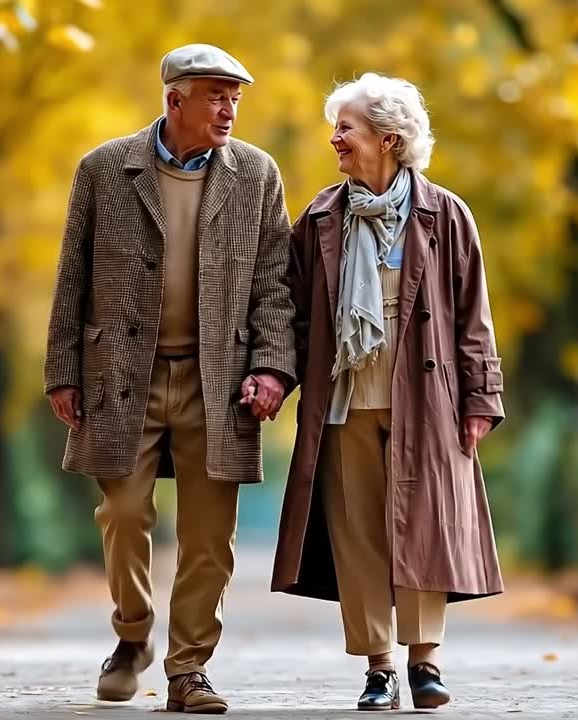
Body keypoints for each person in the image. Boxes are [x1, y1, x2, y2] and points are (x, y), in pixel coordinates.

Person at [44, 43, 295, 715]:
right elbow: (73, 274)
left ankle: (189, 671)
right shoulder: (104, 169)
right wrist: (62, 370)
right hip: (122, 374)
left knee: (210, 537)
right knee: (123, 513)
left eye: (234, 98)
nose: (229, 110)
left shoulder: (257, 175)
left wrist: (272, 367)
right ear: (174, 100)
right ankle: (132, 637)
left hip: (221, 380)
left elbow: (276, 284)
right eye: (215, 97)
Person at [271, 73, 506, 711]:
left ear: (388, 139)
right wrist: (275, 377)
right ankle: (379, 668)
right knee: (358, 537)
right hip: (344, 401)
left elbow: (472, 315)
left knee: (424, 528)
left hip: (427, 403)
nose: (335, 138)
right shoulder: (321, 217)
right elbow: (293, 316)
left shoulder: (446, 214)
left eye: (346, 128)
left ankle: (425, 662)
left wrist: (481, 399)